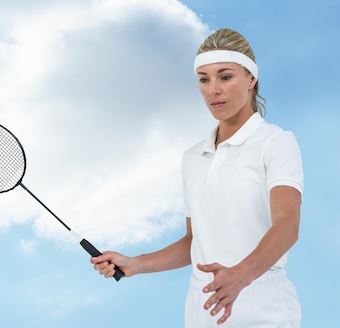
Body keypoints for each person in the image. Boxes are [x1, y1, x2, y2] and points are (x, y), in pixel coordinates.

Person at [91, 28, 303, 327]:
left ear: (251, 79)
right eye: (204, 79)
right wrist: (135, 264)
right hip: (201, 303)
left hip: (262, 304)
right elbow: (194, 240)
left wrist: (239, 276)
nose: (213, 89)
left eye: (225, 76)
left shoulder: (276, 142)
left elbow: (287, 226)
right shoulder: (192, 157)